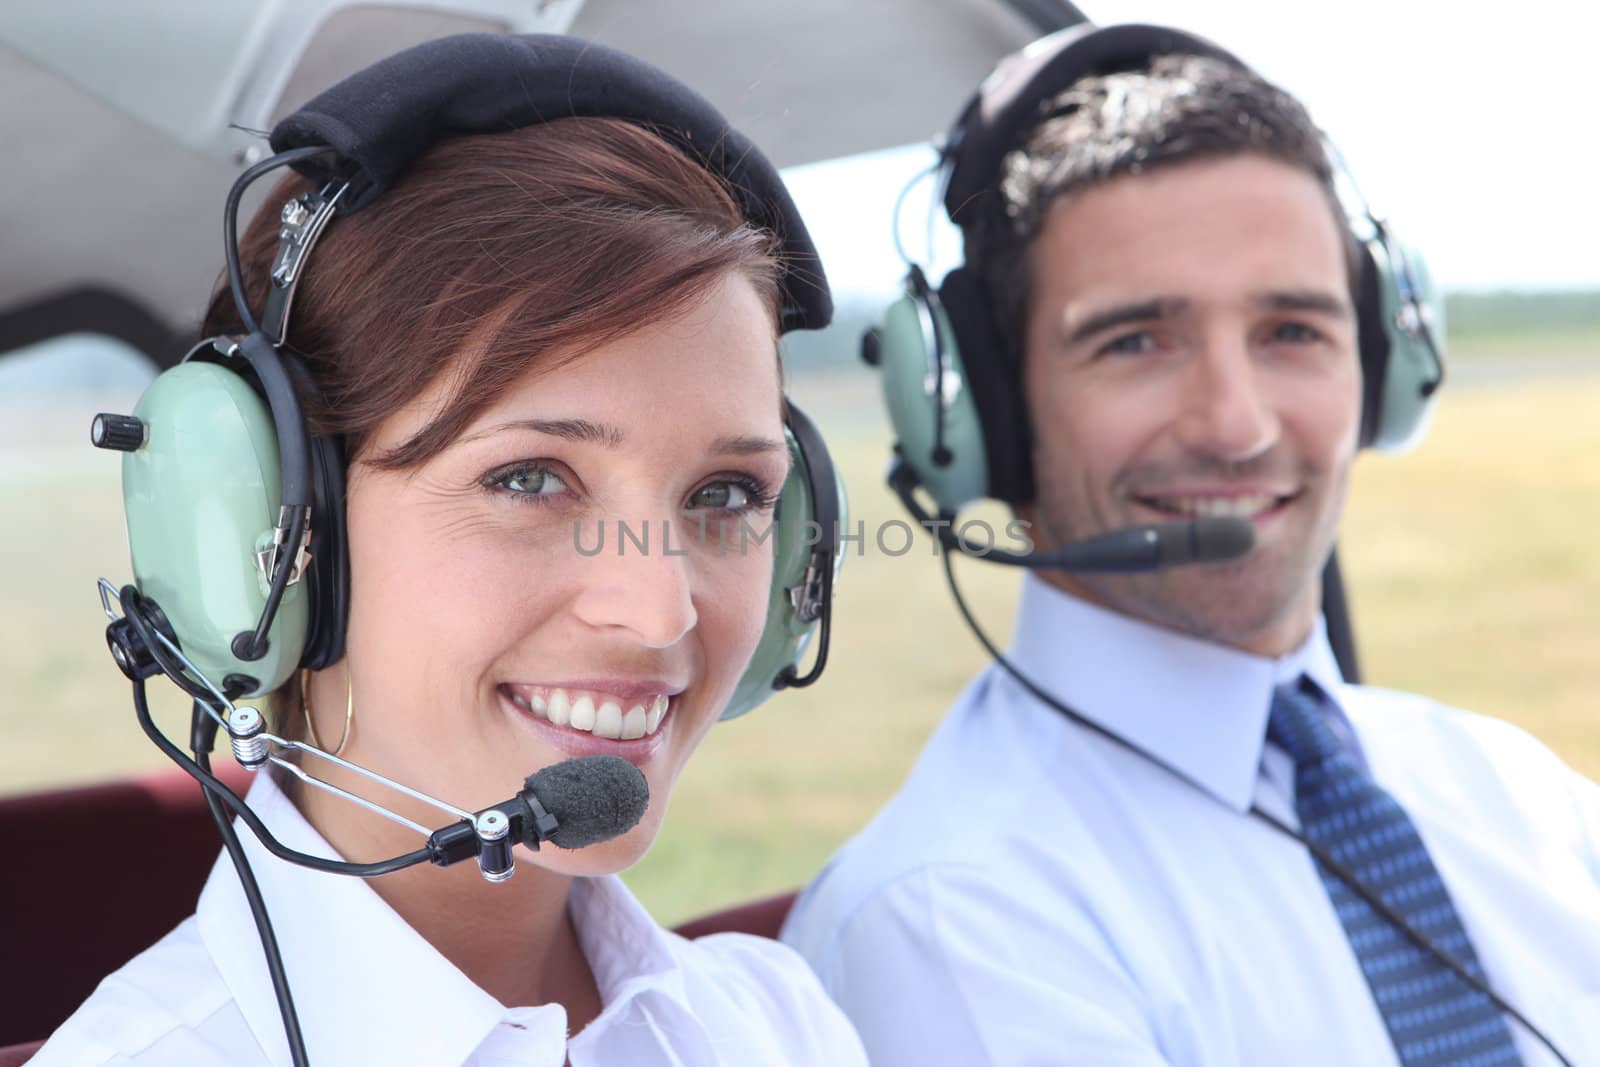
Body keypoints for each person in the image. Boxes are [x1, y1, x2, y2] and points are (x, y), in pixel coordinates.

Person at [35, 33, 866, 1067]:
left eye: (727, 493)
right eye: (528, 478)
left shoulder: (776, 1021)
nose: (662, 611)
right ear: (280, 531)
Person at [782, 21, 1600, 1067]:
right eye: (1135, 341)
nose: (1236, 423)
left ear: (1383, 367)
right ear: (987, 414)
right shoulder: (955, 917)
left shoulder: (1516, 793)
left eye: (1292, 332)